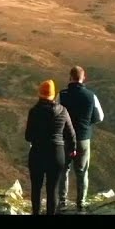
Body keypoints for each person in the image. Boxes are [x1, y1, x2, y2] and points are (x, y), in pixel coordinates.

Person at [24, 79, 76, 215]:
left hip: (37, 154)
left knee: (36, 188)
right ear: (54, 94)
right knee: (52, 189)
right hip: (57, 153)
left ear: (40, 94)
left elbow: (28, 136)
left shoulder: (34, 111)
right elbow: (71, 134)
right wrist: (72, 149)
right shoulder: (63, 111)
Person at [58, 65, 105, 211]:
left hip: (65, 138)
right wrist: (86, 124)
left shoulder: (62, 95)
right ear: (83, 78)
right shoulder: (91, 96)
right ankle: (81, 203)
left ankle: (63, 202)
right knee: (82, 171)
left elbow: (55, 114)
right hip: (83, 138)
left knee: (63, 170)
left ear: (70, 77)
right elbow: (100, 117)